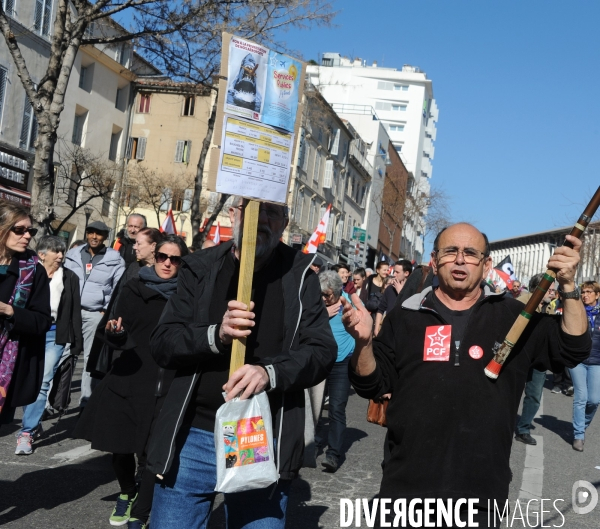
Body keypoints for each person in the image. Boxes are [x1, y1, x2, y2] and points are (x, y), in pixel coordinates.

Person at [341, 222, 590, 526]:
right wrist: (364, 343)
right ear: (434, 261)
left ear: (486, 265)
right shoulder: (405, 316)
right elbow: (371, 383)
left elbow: (573, 348)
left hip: (482, 492)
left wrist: (568, 286)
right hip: (405, 488)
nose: (460, 259)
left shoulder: (514, 317)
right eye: (451, 252)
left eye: (470, 253)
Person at [146, 196, 337, 529]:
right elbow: (163, 342)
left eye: (272, 213)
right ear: (233, 213)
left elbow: (320, 351)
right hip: (194, 433)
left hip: (260, 436)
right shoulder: (200, 266)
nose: (260, 219)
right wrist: (215, 335)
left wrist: (269, 372)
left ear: (284, 224)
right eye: (251, 210)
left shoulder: (300, 274)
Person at [74, 235, 187, 529]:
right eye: (163, 256)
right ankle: (127, 490)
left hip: (165, 382)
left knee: (151, 454)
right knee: (119, 447)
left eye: (175, 259)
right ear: (156, 255)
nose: (167, 263)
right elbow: (113, 328)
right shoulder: (135, 286)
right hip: (128, 375)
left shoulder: (188, 295)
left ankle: (140, 514)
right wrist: (116, 335)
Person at [15, 236, 83, 454]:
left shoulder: (70, 277)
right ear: (42, 254)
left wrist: (76, 343)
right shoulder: (29, 273)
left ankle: (26, 432)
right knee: (29, 381)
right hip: (30, 332)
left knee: (44, 381)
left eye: (62, 251)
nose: (61, 256)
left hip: (55, 333)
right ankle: (32, 419)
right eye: (57, 252)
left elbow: (74, 310)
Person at [0, 201, 51, 428]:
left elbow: (41, 321)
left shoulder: (33, 270)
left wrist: (8, 310)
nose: (27, 236)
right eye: (19, 230)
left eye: (31, 231)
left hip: (6, 369)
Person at [64, 220, 125, 409]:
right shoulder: (72, 254)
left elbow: (118, 289)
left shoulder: (115, 259)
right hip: (69, 314)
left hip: (95, 314)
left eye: (99, 234)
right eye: (91, 232)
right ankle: (54, 400)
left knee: (91, 358)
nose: (94, 237)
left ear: (105, 237)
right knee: (63, 354)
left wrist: (106, 309)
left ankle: (86, 402)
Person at [513, 274, 557, 446]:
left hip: (539, 359)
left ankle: (523, 429)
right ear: (539, 288)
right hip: (518, 355)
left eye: (553, 290)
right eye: (550, 290)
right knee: (511, 392)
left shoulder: (549, 307)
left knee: (534, 395)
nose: (552, 293)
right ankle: (501, 423)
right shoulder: (520, 302)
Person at [318, 271, 355, 473]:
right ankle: (309, 446)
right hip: (319, 361)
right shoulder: (316, 304)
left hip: (342, 364)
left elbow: (361, 327)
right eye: (321, 294)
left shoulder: (348, 303)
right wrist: (322, 314)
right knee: (312, 410)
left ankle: (333, 454)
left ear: (338, 291)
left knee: (336, 408)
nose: (324, 298)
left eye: (328, 295)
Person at [569, 281, 600, 452]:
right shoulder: (576, 311)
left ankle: (582, 424)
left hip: (597, 361)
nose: (585, 295)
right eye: (583, 292)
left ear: (597, 295)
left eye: (589, 292)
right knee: (581, 397)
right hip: (577, 361)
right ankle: (578, 434)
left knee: (594, 400)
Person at [374, 260, 413, 336]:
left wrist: (401, 293)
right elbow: (381, 309)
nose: (394, 274)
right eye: (394, 271)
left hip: (403, 334)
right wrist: (376, 328)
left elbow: (411, 313)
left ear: (406, 273)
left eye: (397, 272)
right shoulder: (390, 289)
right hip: (387, 332)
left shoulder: (413, 291)